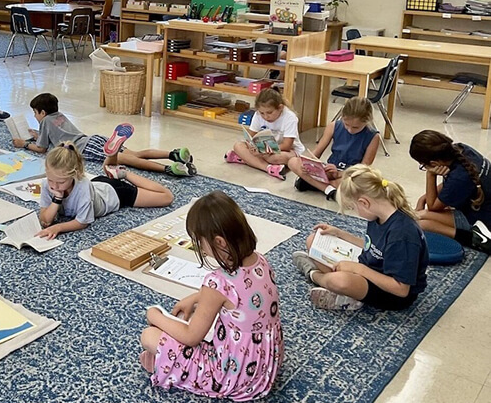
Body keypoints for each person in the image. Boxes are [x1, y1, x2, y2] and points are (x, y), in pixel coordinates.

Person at [139, 191, 283, 401]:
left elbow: (191, 336)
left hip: (231, 373)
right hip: (266, 362)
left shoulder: (218, 282)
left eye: (200, 242)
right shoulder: (260, 261)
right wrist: (196, 298)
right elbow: (239, 294)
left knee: (149, 335)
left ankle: (171, 368)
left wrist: (155, 316)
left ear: (219, 242)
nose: (202, 250)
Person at [293, 164, 428, 311]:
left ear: (364, 203)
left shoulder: (402, 234)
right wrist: (340, 234)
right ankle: (345, 292)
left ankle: (313, 274)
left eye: (353, 208)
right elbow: (375, 248)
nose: (355, 212)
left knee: (339, 281)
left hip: (391, 294)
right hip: (370, 268)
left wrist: (359, 269)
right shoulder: (380, 215)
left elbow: (401, 290)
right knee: (313, 240)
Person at [14, 92, 196, 177]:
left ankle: (167, 170)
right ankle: (173, 154)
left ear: (42, 113)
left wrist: (24, 143)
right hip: (94, 139)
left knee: (127, 160)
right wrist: (38, 134)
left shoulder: (45, 122)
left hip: (85, 148)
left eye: (35, 113)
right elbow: (57, 135)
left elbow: (41, 148)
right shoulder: (59, 116)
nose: (35, 116)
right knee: (135, 153)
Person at [36, 128, 174, 240]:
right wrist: (57, 199)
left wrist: (58, 228)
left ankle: (123, 174)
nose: (54, 186)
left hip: (115, 193)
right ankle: (111, 161)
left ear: (75, 174)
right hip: (98, 185)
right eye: (50, 180)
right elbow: (45, 220)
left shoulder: (83, 186)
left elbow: (82, 222)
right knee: (102, 182)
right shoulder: (48, 185)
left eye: (60, 182)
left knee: (167, 197)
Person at [409, 130, 491, 254]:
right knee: (419, 216)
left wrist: (430, 175)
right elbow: (451, 186)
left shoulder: (459, 178)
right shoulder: (463, 150)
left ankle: (473, 238)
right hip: (484, 206)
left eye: (423, 166)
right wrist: (422, 199)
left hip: (484, 220)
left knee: (421, 222)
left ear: (434, 163)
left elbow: (433, 207)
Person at [287, 97, 379, 201]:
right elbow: (316, 152)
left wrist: (340, 173)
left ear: (367, 122)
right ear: (342, 117)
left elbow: (363, 169)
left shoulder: (373, 137)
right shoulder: (334, 126)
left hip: (350, 174)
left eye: (356, 127)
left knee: (359, 183)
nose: (350, 130)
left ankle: (315, 184)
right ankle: (328, 189)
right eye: (346, 124)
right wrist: (307, 165)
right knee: (293, 162)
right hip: (329, 169)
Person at [226, 87, 305, 181]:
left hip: (287, 150)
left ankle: (246, 159)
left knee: (275, 158)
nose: (266, 116)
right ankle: (269, 168)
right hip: (264, 150)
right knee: (238, 145)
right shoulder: (258, 115)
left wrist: (267, 150)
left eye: (269, 113)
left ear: (280, 108)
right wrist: (252, 146)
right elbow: (250, 136)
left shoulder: (290, 117)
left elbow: (287, 145)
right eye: (262, 113)